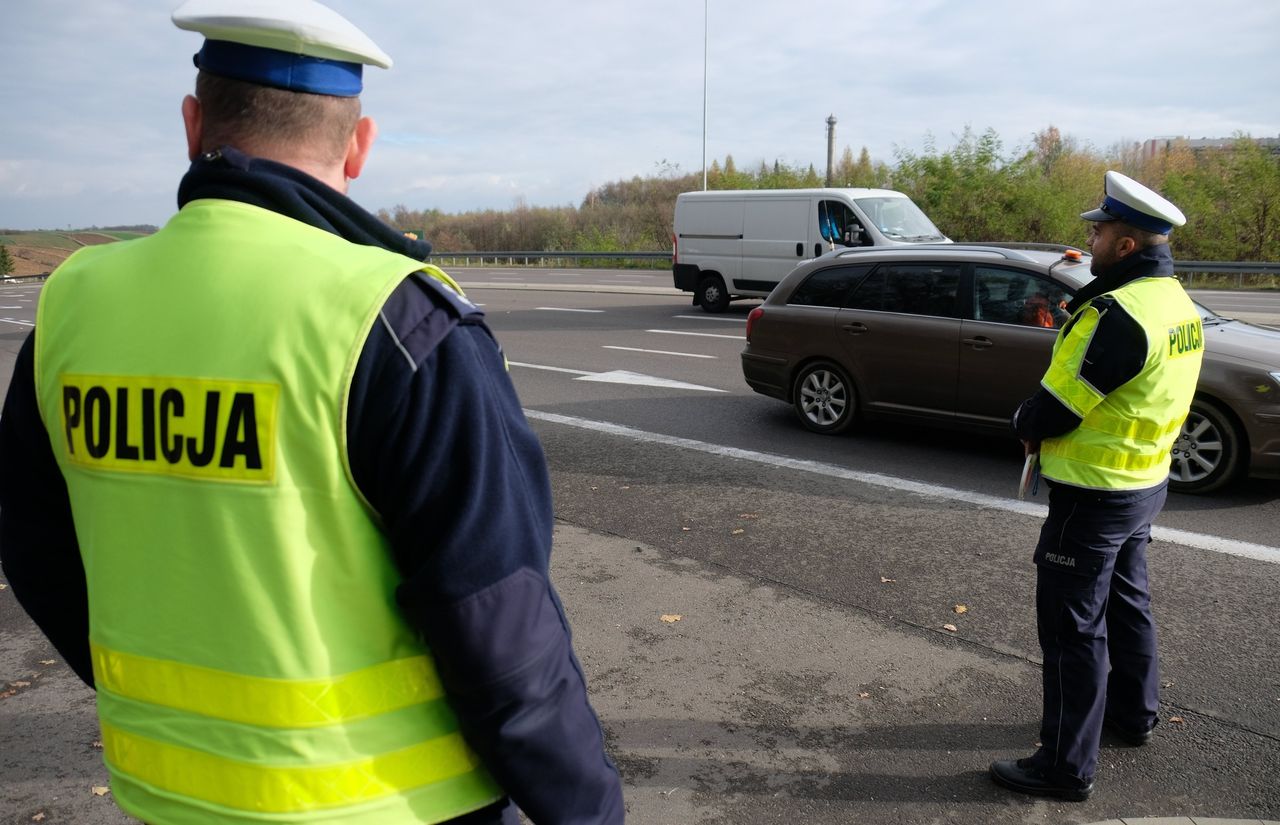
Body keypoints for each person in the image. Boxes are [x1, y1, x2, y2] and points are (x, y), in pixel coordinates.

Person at [0, 2, 624, 823]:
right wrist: (590, 811)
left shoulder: (75, 304)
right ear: (358, 147)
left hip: (166, 798)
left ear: (193, 124)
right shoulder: (396, 322)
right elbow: (502, 639)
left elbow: (35, 547)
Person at [990, 171, 1205, 801]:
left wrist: (1021, 421)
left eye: (1101, 229)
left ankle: (1063, 767)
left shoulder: (1116, 314)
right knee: (1127, 603)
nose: (1092, 236)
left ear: (1128, 244)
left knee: (1070, 629)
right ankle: (1133, 716)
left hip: (1092, 492)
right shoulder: (1174, 302)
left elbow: (1057, 408)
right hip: (1145, 480)